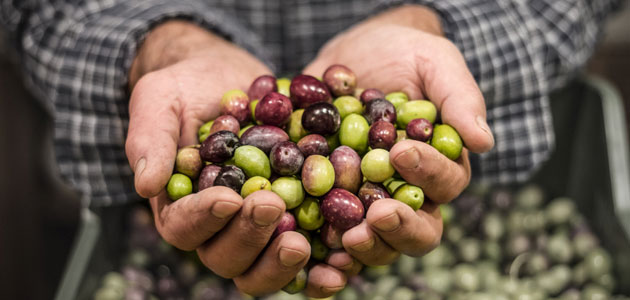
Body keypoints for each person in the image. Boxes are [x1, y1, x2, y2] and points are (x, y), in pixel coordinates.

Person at [0, 0, 622, 297]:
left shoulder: (352, 140)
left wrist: (440, 28)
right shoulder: (282, 145)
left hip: (430, 95)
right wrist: (153, 48)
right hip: (123, 138)